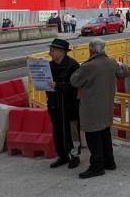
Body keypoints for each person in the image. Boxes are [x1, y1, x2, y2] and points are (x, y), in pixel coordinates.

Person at [71, 38, 129, 179]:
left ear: (90, 50)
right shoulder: (111, 62)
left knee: (93, 137)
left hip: (91, 108)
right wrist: (125, 66)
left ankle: (97, 166)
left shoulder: (87, 66)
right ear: (103, 49)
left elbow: (74, 81)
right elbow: (122, 73)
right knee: (105, 134)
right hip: (107, 106)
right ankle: (110, 162)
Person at [47, 38, 81, 169]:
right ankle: (62, 156)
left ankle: (74, 156)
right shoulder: (49, 66)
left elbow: (75, 86)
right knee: (57, 133)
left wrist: (58, 85)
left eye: (53, 50)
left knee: (72, 133)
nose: (50, 52)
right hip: (55, 105)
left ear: (62, 52)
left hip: (69, 105)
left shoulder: (73, 65)